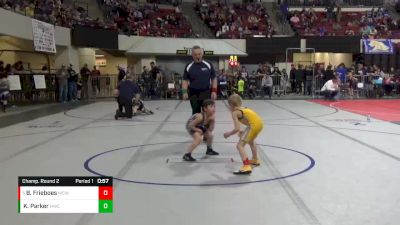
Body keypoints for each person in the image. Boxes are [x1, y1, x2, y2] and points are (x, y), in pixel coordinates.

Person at [224, 94, 264, 175]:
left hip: (253, 126)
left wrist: (228, 134)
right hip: (259, 124)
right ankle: (255, 160)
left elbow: (236, 129)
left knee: (240, 146)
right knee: (251, 141)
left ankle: (246, 166)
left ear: (231, 105)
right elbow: (248, 120)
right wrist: (244, 132)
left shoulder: (235, 113)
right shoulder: (242, 108)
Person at [182, 46, 218, 114]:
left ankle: (207, 125)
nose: (197, 56)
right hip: (194, 94)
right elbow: (185, 80)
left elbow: (214, 78)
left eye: (199, 54)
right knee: (196, 114)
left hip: (206, 93)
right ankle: (196, 125)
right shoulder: (188, 66)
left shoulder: (208, 64)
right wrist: (184, 92)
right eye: (195, 54)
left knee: (208, 113)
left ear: (202, 54)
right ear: (192, 55)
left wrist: (214, 91)